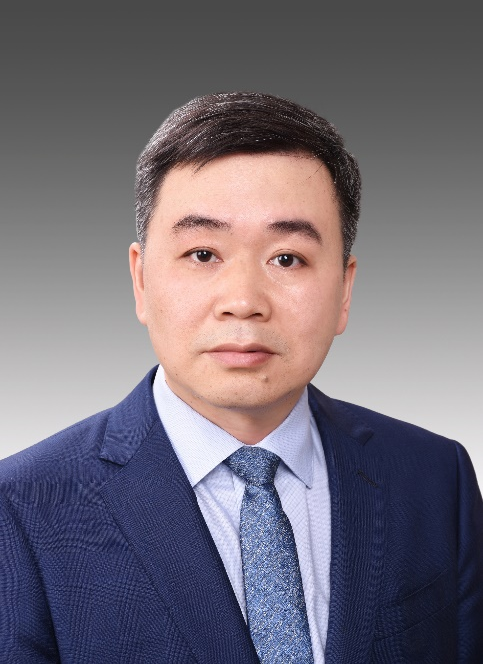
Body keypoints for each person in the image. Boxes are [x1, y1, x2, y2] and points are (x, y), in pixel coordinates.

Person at [1, 92, 482, 664]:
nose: (244, 301)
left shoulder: (434, 477)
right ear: (141, 280)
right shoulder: (23, 507)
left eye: (287, 258)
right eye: (203, 254)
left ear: (344, 289)